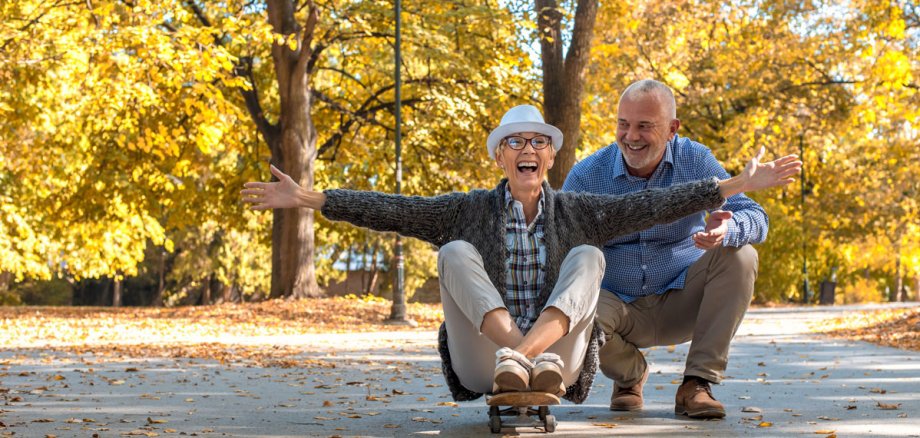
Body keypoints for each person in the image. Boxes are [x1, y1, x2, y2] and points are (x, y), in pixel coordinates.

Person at [242, 104, 800, 404]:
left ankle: (533, 357)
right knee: (456, 251)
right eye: (515, 142)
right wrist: (309, 198)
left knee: (587, 256)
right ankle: (518, 354)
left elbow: (660, 203)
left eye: (537, 142)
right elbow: (392, 208)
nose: (526, 149)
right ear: (499, 159)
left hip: (560, 362)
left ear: (551, 159)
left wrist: (729, 186)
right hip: (486, 358)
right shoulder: (466, 210)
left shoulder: (580, 210)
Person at [562, 79, 784, 418]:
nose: (631, 136)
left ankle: (697, 384)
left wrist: (728, 229)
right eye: (623, 124)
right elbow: (560, 248)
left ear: (672, 129)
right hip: (616, 305)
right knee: (569, 309)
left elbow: (756, 216)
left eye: (644, 126)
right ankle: (629, 375)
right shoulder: (587, 176)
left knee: (742, 254)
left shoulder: (694, 160)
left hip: (682, 297)